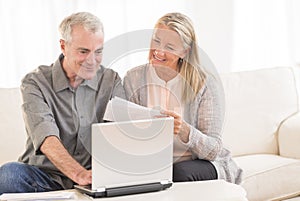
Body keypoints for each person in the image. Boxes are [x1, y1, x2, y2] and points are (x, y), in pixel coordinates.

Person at [0, 12, 125, 194]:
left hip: (94, 178)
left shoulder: (111, 80)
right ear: (63, 46)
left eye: (98, 52)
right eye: (83, 51)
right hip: (44, 176)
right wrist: (78, 174)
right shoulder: (35, 82)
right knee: (8, 176)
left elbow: (120, 131)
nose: (92, 61)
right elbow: (46, 136)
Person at [123, 12, 242, 184]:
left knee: (178, 172)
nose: (159, 51)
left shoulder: (204, 83)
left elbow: (213, 150)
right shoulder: (133, 78)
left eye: (170, 47)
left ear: (184, 52)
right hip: (154, 163)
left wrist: (184, 130)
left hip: (198, 163)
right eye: (156, 41)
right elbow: (125, 131)